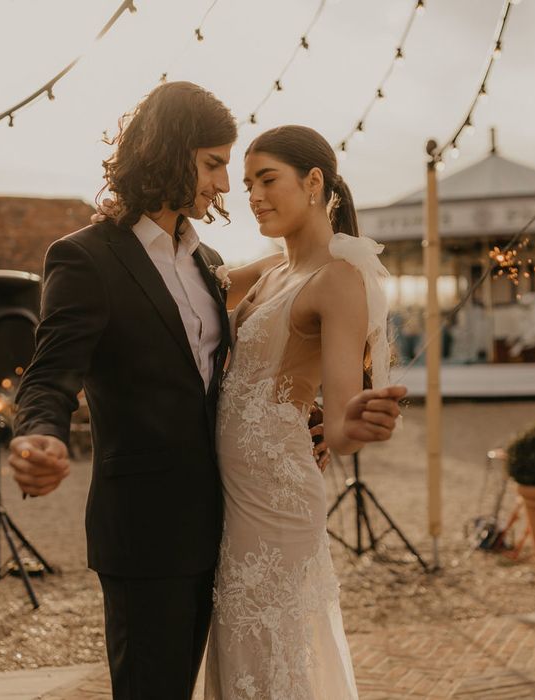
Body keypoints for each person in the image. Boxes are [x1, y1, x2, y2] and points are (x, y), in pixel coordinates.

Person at [8, 82, 403, 699]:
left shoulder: (208, 262)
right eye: (215, 165)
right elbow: (50, 371)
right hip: (146, 533)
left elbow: (247, 371)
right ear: (169, 151)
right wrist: (38, 433)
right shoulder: (86, 258)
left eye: (240, 171)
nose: (227, 187)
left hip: (229, 526)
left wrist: (317, 418)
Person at [203, 125, 405, 699]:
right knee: (237, 653)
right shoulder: (268, 270)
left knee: (269, 658)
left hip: (278, 501)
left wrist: (357, 423)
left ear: (314, 182)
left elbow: (340, 426)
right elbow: (184, 285)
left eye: (267, 179)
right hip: (228, 496)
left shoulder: (338, 280)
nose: (253, 196)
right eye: (246, 184)